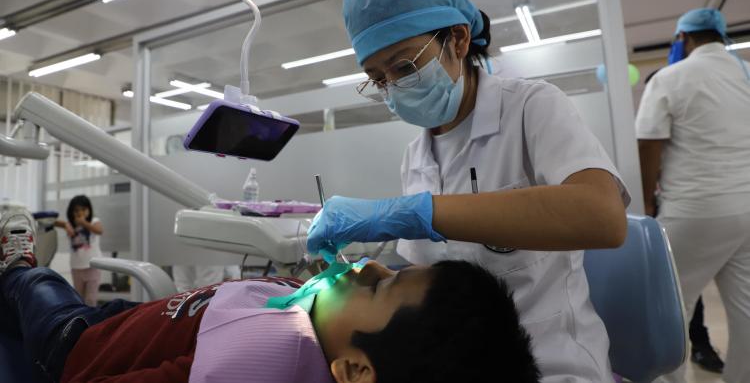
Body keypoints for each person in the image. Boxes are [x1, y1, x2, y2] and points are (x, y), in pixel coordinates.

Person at [306, 0, 629, 382]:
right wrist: (368, 278)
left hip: (549, 355)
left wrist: (412, 213)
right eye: (378, 79)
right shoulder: (416, 155)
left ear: (457, 40)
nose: (392, 87)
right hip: (451, 361)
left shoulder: (532, 107)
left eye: (403, 68)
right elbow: (424, 284)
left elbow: (603, 217)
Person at [0, 205, 540, 383]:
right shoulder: (324, 319)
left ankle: (18, 265)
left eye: (382, 285)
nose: (369, 267)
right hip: (142, 318)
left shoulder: (261, 364)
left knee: (40, 292)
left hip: (82, 346)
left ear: (354, 371)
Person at [636, 8, 750, 383]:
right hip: (747, 206)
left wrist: (649, 202)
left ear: (683, 38)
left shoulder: (671, 77)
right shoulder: (746, 74)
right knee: (746, 312)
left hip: (695, 208)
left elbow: (649, 141)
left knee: (671, 311)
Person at [641, 68, 724, 374]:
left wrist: (648, 197)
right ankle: (692, 349)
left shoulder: (684, 122)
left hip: (688, 207)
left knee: (678, 296)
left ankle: (696, 346)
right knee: (678, 292)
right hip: (680, 207)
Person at [54, 195, 104, 306]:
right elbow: (53, 222)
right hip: (76, 267)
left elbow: (99, 230)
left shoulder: (94, 221)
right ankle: (81, 320)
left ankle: (92, 322)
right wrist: (66, 224)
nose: (80, 212)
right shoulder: (71, 225)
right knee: (78, 298)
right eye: (76, 210)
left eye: (83, 209)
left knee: (91, 299)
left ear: (89, 210)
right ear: (71, 212)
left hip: (93, 266)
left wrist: (84, 223)